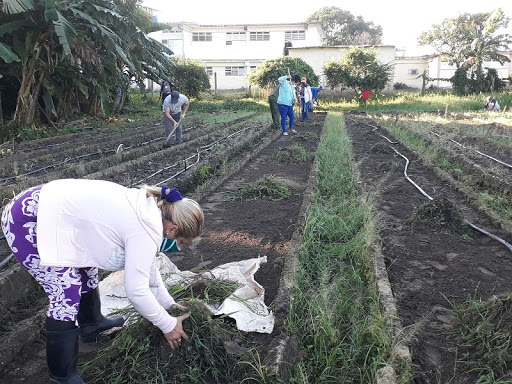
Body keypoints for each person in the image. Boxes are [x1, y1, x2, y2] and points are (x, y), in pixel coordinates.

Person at [1, 179, 204, 383]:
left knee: (87, 269)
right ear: (172, 228)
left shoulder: (151, 212)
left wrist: (170, 305)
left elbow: (148, 271)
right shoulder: (146, 226)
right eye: (181, 242)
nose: (178, 247)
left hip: (56, 214)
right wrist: (167, 325)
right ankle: (62, 376)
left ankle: (91, 324)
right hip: (30, 219)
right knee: (66, 292)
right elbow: (137, 291)